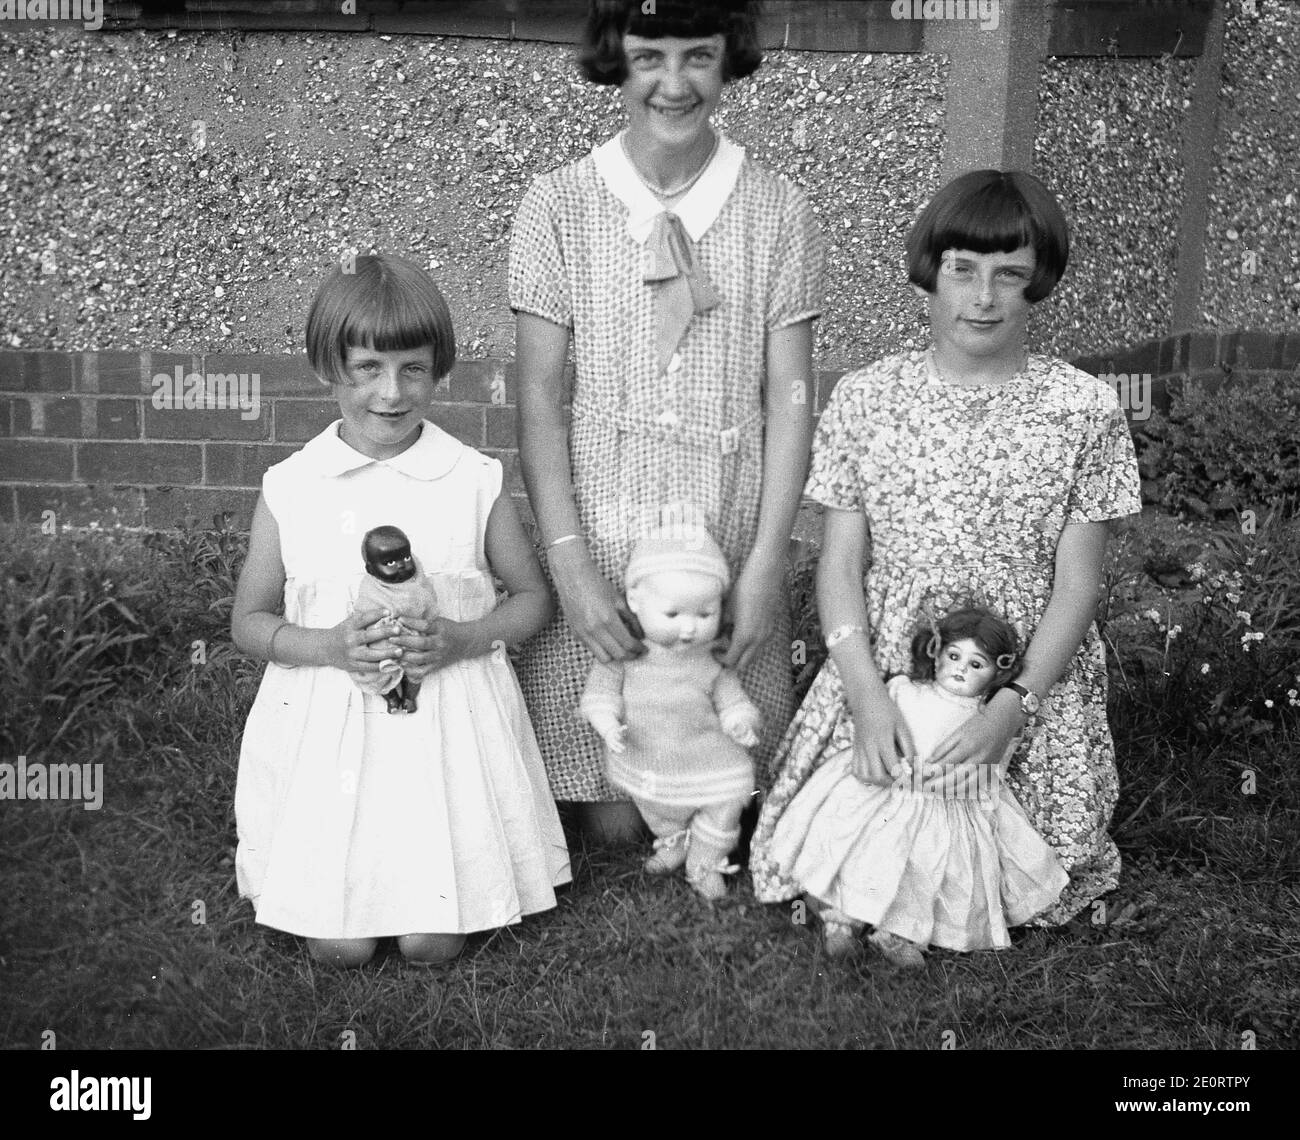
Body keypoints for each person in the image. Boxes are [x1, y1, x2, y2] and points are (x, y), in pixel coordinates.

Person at [750, 169, 1142, 949]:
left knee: (1039, 871)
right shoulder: (867, 397)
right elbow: (838, 566)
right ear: (931, 271)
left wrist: (1012, 708)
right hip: (887, 658)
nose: (983, 297)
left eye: (1010, 275)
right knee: (826, 840)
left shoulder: (1084, 409)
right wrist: (864, 695)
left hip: (1022, 672)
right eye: (963, 269)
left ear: (1040, 285)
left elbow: (1076, 587)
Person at [509, 0, 825, 841]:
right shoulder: (557, 206)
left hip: (726, 507)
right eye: (650, 56)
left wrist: (764, 566)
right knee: (610, 822)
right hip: (603, 514)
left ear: (730, 60)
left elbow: (792, 402)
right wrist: (571, 567)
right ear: (617, 58)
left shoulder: (777, 209)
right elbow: (538, 401)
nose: (674, 82)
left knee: (724, 774)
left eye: (699, 56)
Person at [231, 254, 571, 969]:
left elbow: (535, 599)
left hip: (446, 738)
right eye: (367, 368)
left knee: (431, 942)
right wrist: (328, 647)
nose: (391, 392)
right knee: (340, 948)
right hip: (332, 743)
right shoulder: (293, 487)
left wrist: (465, 637)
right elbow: (248, 622)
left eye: (413, 369)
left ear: (439, 370)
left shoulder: (471, 479)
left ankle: (446, 884)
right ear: (329, 366)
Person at [764, 607, 1070, 966]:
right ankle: (842, 922)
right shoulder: (905, 690)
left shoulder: (987, 717)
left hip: (943, 806)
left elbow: (991, 768)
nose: (960, 669)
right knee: (864, 854)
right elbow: (873, 730)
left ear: (997, 673)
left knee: (924, 868)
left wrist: (970, 785)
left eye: (976, 664)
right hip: (888, 794)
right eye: (954, 656)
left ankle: (898, 934)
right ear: (935, 654)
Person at [579, 518, 763, 900]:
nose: (690, 628)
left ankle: (705, 861)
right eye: (673, 614)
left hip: (709, 756)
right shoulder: (627, 655)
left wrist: (739, 720)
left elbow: (730, 697)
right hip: (649, 755)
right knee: (655, 806)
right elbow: (600, 694)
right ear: (635, 602)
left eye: (705, 614)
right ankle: (673, 841)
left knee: (728, 801)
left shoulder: (710, 659)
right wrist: (607, 723)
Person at [352, 524, 440, 713]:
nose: (401, 565)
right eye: (390, 563)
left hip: (413, 637)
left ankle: (409, 697)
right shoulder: (370, 588)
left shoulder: (418, 582)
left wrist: (430, 624)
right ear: (370, 569)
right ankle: (391, 697)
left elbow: (429, 605)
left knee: (417, 669)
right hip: (381, 643)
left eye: (406, 557)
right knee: (374, 674)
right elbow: (362, 613)